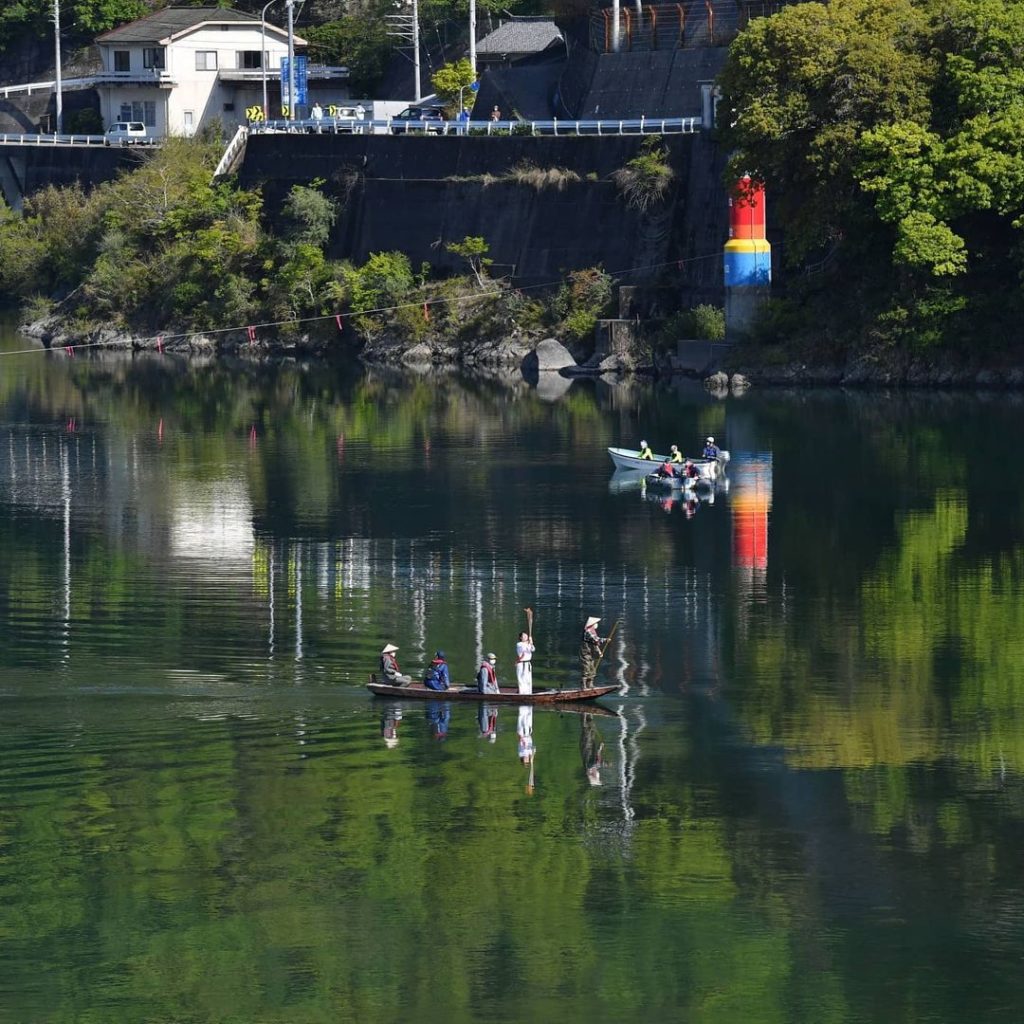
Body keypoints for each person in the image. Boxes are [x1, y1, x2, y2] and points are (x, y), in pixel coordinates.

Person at [579, 616, 608, 690]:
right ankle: (584, 686)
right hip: (585, 653)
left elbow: (596, 642)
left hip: (591, 653)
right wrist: (604, 640)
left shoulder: (592, 631)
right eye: (596, 623)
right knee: (586, 668)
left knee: (592, 668)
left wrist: (605, 641)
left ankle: (590, 684)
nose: (596, 624)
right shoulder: (588, 631)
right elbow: (595, 640)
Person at [515, 630, 535, 695]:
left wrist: (531, 643)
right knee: (522, 680)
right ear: (521, 638)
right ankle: (522, 693)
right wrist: (530, 643)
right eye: (524, 636)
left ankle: (529, 693)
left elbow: (532, 649)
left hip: (528, 664)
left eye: (526, 635)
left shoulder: (528, 644)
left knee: (528, 679)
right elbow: (526, 648)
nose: (526, 636)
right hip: (521, 664)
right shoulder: (519, 644)